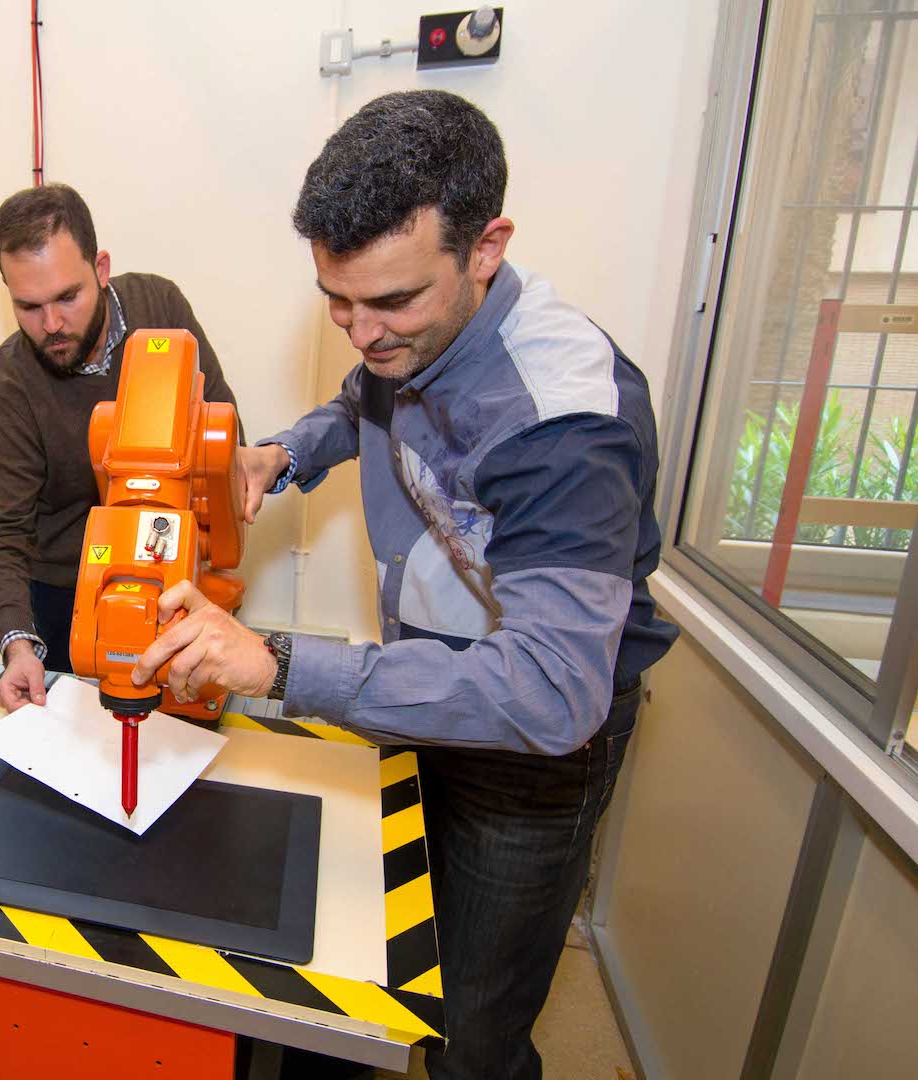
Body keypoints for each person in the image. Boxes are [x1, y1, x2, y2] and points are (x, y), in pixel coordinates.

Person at [132, 90, 679, 1079]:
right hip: (427, 687)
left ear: (486, 247)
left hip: (532, 754)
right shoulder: (406, 336)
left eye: (391, 303)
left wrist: (279, 664)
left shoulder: (564, 425)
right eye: (338, 301)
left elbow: (554, 695)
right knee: (379, 955)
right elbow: (357, 404)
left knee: (472, 1032)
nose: (362, 332)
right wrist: (279, 457)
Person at [0, 183, 241, 713]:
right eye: (28, 306)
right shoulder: (11, 384)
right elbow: (0, 535)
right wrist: (17, 645)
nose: (51, 325)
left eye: (67, 297)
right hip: (65, 597)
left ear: (101, 268)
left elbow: (225, 435)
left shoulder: (161, 307)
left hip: (178, 581)